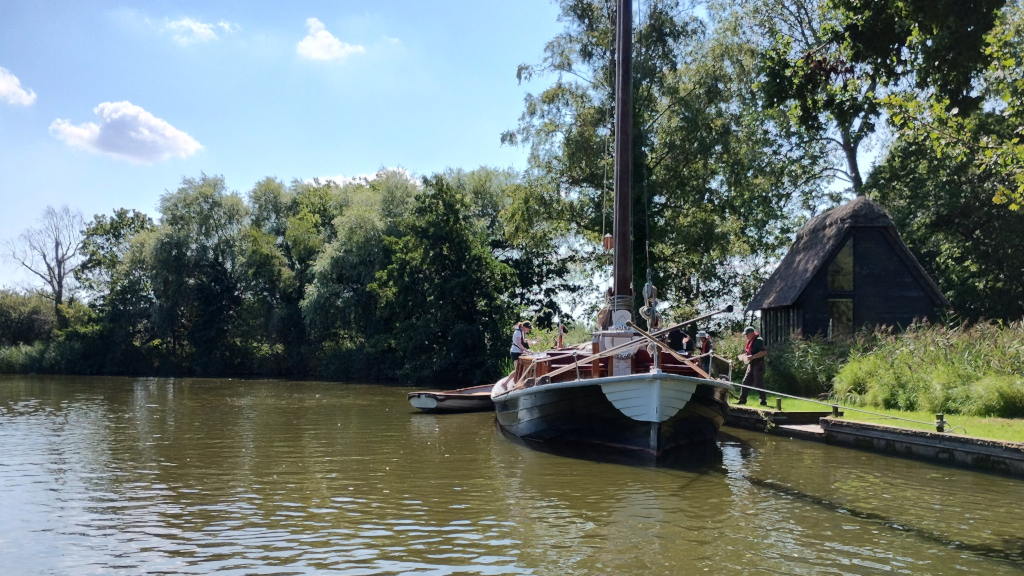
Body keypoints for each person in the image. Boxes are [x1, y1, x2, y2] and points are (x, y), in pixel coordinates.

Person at [737, 326, 768, 406]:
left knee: (758, 383)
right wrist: (743, 356)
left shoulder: (758, 340)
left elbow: (763, 352)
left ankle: (763, 401)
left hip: (758, 364)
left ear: (752, 333)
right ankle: (742, 400)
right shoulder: (750, 341)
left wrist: (753, 356)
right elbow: (749, 352)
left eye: (747, 334)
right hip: (751, 364)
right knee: (745, 382)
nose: (746, 336)